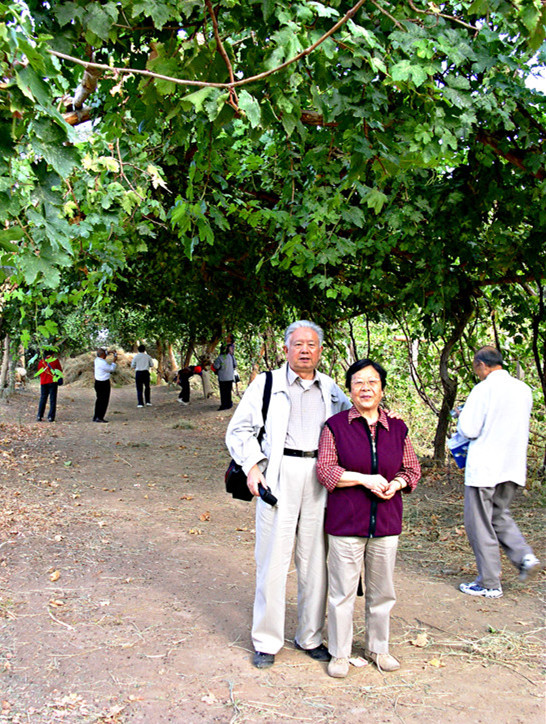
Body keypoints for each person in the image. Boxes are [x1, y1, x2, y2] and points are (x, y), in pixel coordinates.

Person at [226, 321, 351, 669]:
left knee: (315, 563)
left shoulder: (331, 389)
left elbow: (350, 425)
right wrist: (253, 467)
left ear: (321, 350)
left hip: (320, 478)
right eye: (298, 344)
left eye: (312, 344)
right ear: (286, 349)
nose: (305, 350)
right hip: (277, 478)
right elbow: (239, 431)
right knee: (272, 561)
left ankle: (310, 636)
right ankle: (266, 641)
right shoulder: (266, 384)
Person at [316, 359, 420, 678]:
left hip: (386, 524)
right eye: (359, 382)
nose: (366, 388)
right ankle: (340, 652)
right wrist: (363, 478)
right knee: (342, 592)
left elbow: (412, 470)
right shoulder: (335, 426)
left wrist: (397, 483)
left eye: (372, 382)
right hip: (346, 524)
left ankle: (378, 647)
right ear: (349, 389)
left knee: (382, 592)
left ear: (382, 389)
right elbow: (325, 471)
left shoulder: (398, 428)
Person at [456, 346, 540, 598]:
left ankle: (489, 582)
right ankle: (524, 557)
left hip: (485, 468)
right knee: (498, 514)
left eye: (475, 367)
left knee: (478, 523)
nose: (476, 372)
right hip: (512, 466)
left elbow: (469, 429)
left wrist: (460, 416)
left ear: (481, 364)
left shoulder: (483, 389)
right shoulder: (523, 390)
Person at [93, 348, 117, 423]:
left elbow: (102, 353)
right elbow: (111, 369)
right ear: (103, 355)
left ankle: (96, 416)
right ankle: (100, 417)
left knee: (99, 400)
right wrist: (114, 361)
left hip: (97, 382)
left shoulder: (96, 360)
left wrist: (110, 352)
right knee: (104, 400)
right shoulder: (103, 363)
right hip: (104, 383)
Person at [36, 355, 63, 422]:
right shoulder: (55, 360)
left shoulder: (42, 361)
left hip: (43, 382)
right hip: (53, 381)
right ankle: (51, 417)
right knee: (52, 399)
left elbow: (39, 372)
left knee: (43, 398)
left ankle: (39, 415)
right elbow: (59, 371)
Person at [214, 343, 237, 410]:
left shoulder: (220, 358)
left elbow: (216, 366)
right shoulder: (231, 356)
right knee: (228, 391)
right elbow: (235, 364)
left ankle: (224, 405)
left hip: (222, 378)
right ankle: (229, 404)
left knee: (223, 392)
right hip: (230, 377)